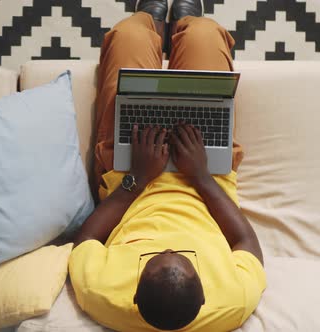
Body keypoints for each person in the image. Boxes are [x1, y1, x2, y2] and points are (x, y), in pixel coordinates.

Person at [67, 0, 267, 331]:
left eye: (158, 253)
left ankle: (154, 25)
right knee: (205, 35)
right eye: (180, 254)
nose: (169, 245)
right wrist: (200, 176)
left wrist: (139, 178)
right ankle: (184, 26)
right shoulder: (232, 303)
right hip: (205, 174)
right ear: (205, 299)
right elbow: (247, 242)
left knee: (129, 35)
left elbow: (87, 236)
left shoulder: (101, 296)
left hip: (131, 171)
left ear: (133, 296)